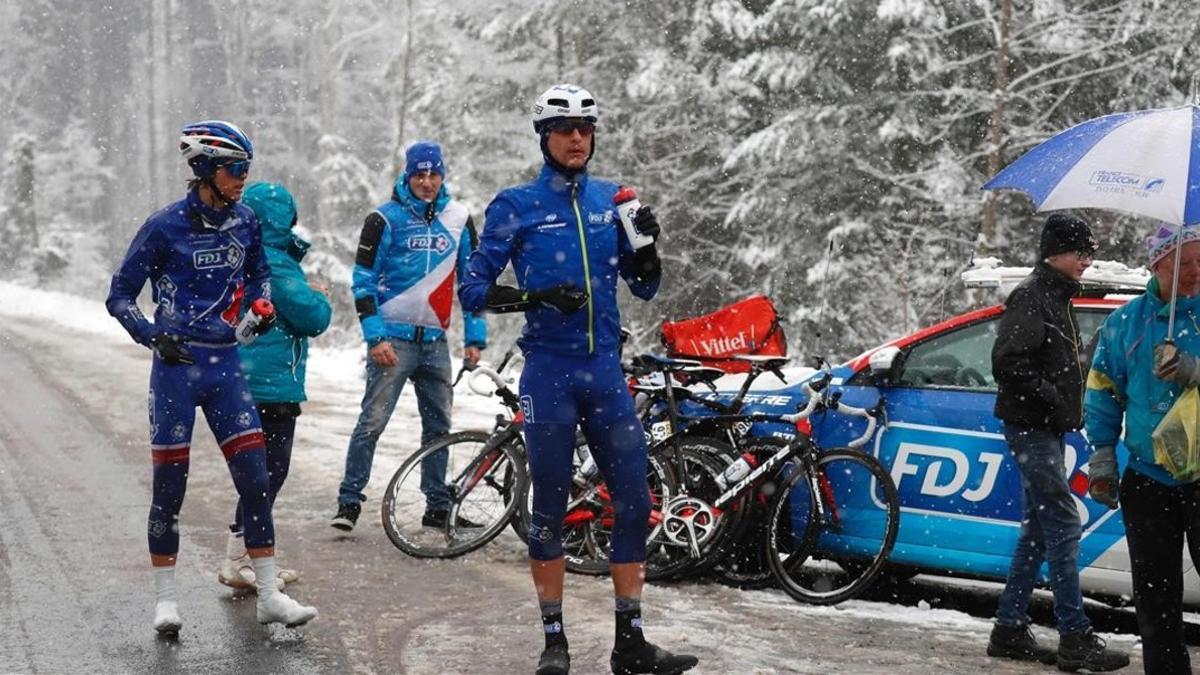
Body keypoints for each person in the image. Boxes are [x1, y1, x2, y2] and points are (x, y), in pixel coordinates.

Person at [459, 84, 697, 675]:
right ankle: (554, 642)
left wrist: (647, 254)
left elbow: (644, 289)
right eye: (564, 129)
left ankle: (631, 643)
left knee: (637, 500)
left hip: (604, 372)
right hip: (549, 372)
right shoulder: (516, 205)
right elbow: (472, 288)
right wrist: (535, 295)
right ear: (544, 138)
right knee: (549, 506)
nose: (576, 138)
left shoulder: (610, 202)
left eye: (584, 129)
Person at [106, 120, 317, 634]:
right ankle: (166, 602)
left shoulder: (245, 221)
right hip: (176, 370)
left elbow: (258, 273)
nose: (244, 177)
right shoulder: (164, 226)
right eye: (235, 169)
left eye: (247, 168)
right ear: (204, 168)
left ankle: (268, 595)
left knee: (256, 481)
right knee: (169, 489)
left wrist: (260, 305)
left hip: (226, 367)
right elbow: (118, 295)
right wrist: (152, 335)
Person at [987, 213, 1128, 671]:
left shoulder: (1057, 296)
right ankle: (1074, 636)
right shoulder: (1032, 296)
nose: (1088, 261)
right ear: (1057, 252)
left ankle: (1008, 628)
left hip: (1044, 427)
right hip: (1031, 427)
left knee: (1038, 529)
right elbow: (1010, 362)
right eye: (1081, 252)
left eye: (1091, 252)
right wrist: (1052, 400)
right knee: (1064, 521)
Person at [330, 141, 487, 532]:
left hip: (435, 342)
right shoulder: (383, 219)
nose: (427, 182)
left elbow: (473, 283)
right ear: (407, 175)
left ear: (443, 176)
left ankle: (437, 506)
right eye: (420, 174)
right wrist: (375, 336)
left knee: (439, 428)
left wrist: (475, 337)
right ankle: (349, 502)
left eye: (434, 174)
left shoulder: (459, 218)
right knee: (372, 422)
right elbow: (362, 281)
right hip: (392, 343)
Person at [1086, 222, 1200, 674]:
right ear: (1158, 265)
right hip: (1149, 478)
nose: (1196, 272)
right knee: (1155, 600)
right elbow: (1102, 390)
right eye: (1184, 263)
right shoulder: (1125, 324)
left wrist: (1193, 370)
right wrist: (1102, 456)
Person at [217, 182, 332, 592]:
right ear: (281, 221)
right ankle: (242, 559)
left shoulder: (248, 255)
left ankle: (246, 557)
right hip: (270, 387)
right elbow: (310, 317)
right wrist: (321, 299)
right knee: (268, 473)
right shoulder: (276, 264)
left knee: (259, 474)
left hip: (247, 381)